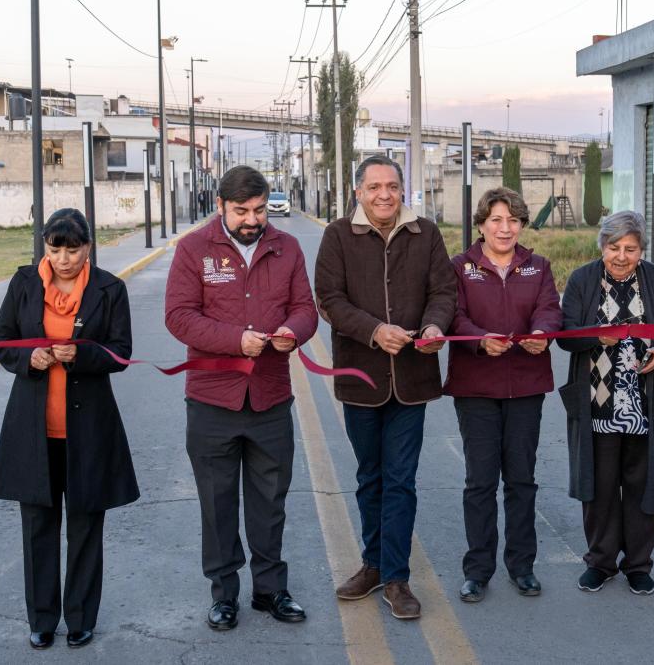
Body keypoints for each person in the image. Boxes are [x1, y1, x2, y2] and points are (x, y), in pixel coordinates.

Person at [165, 165, 318, 630]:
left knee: (270, 501)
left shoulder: (286, 247)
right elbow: (178, 316)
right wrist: (237, 340)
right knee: (218, 501)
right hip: (212, 401)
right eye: (242, 211)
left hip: (270, 398)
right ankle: (224, 593)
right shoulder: (194, 249)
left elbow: (305, 308)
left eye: (258, 209)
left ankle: (270, 590)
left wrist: (294, 331)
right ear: (220, 207)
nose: (253, 220)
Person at [314, 155, 456, 620]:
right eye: (373, 186)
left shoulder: (426, 233)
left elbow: (444, 292)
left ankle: (395, 577)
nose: (383, 195)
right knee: (369, 478)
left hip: (412, 380)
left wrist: (435, 327)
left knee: (401, 480)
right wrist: (375, 331)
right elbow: (329, 300)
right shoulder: (338, 236)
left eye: (392, 186)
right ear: (358, 192)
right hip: (361, 378)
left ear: (402, 190)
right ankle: (372, 564)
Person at [0, 208, 138, 650]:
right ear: (45, 248)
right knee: (38, 525)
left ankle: (80, 618)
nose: (64, 259)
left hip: (89, 429)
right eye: (55, 249)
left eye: (72, 250)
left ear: (88, 248)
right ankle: (41, 619)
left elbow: (121, 352)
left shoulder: (110, 289)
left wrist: (82, 356)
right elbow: (0, 341)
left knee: (85, 525)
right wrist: (28, 359)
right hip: (33, 430)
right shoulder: (23, 284)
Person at [557, 211, 654, 596]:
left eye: (630, 249)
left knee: (642, 484)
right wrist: (599, 337)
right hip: (595, 404)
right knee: (598, 486)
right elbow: (565, 337)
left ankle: (638, 564)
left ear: (641, 250)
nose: (621, 256)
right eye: (614, 247)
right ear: (602, 246)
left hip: (645, 406)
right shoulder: (583, 280)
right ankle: (600, 562)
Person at [443, 187, 562, 603]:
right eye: (496, 219)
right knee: (479, 482)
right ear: (480, 224)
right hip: (476, 387)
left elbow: (550, 309)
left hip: (526, 386)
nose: (505, 228)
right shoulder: (459, 267)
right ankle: (477, 570)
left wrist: (543, 333)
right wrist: (479, 340)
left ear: (522, 224)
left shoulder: (539, 267)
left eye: (513, 220)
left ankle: (522, 566)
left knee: (521, 480)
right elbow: (452, 315)